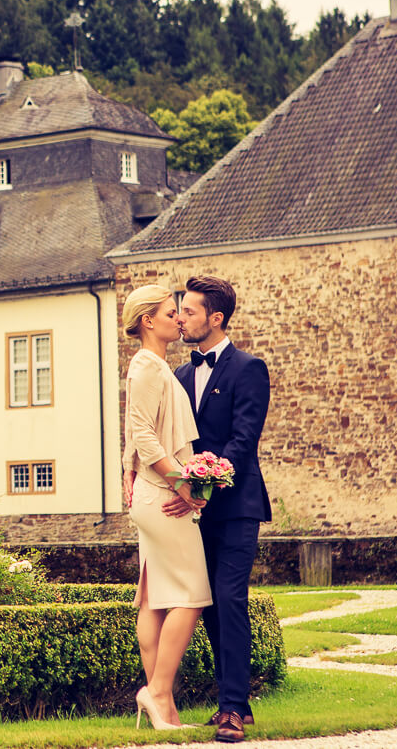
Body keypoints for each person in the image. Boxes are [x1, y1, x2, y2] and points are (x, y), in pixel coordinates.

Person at [165, 275, 271, 744]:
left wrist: (205, 488)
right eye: (179, 311)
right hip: (191, 511)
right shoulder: (180, 376)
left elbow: (243, 441)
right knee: (206, 607)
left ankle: (231, 710)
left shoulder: (249, 368)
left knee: (230, 598)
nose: (180, 318)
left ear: (216, 318)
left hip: (236, 506)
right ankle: (235, 703)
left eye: (188, 311)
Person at [119, 284, 210, 731]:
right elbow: (145, 436)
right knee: (192, 595)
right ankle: (155, 692)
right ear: (147, 321)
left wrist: (127, 471)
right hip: (163, 496)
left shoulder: (152, 366)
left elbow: (133, 433)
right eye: (171, 312)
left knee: (154, 601)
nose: (180, 318)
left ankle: (165, 709)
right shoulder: (147, 367)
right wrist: (184, 483)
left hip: (150, 492)